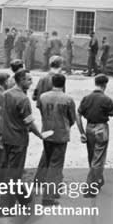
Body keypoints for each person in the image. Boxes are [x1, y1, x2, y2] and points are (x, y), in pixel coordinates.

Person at [35, 73, 83, 204]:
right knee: (56, 166)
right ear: (64, 83)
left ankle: (45, 187)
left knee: (48, 160)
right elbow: (72, 118)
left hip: (46, 132)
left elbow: (41, 111)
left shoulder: (43, 97)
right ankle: (49, 197)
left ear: (52, 83)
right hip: (60, 134)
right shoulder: (68, 99)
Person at [78, 74, 113, 194]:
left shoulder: (86, 98)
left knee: (92, 157)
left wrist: (81, 132)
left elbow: (78, 115)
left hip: (89, 128)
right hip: (101, 128)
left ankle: (98, 180)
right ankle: (90, 187)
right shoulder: (106, 100)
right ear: (105, 85)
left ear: (95, 83)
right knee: (98, 159)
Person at [0, 69, 43, 183]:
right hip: (18, 139)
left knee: (7, 168)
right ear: (21, 80)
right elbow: (29, 121)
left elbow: (1, 115)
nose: (31, 82)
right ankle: (9, 199)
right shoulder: (23, 99)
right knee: (15, 172)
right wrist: (40, 135)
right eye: (29, 80)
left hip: (6, 137)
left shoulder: (5, 94)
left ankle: (21, 198)